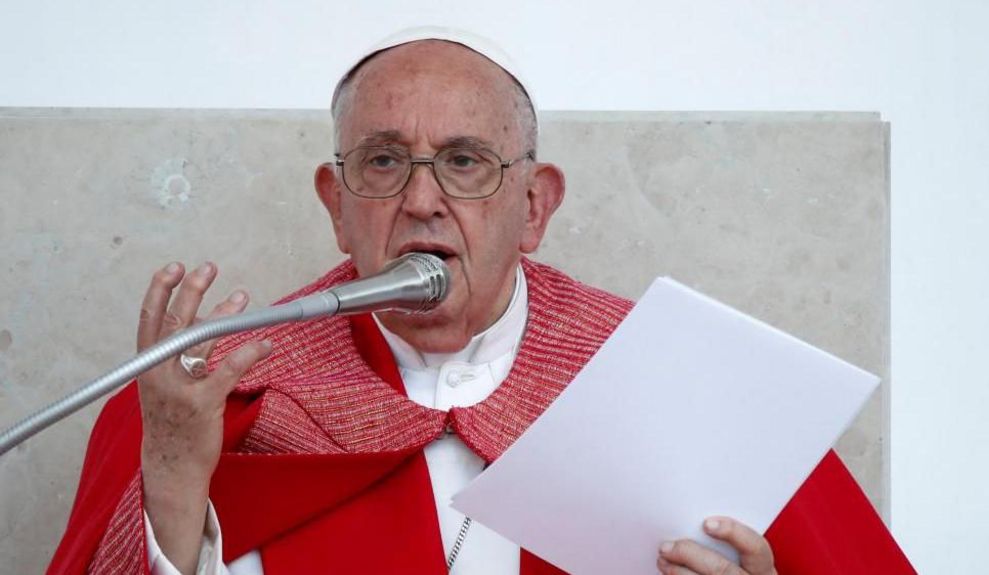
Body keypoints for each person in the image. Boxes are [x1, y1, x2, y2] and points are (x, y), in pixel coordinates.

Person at [49, 28, 915, 575]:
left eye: (465, 162)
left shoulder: (666, 377)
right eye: (384, 161)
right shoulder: (210, 397)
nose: (422, 200)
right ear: (336, 204)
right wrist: (168, 474)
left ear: (534, 206)